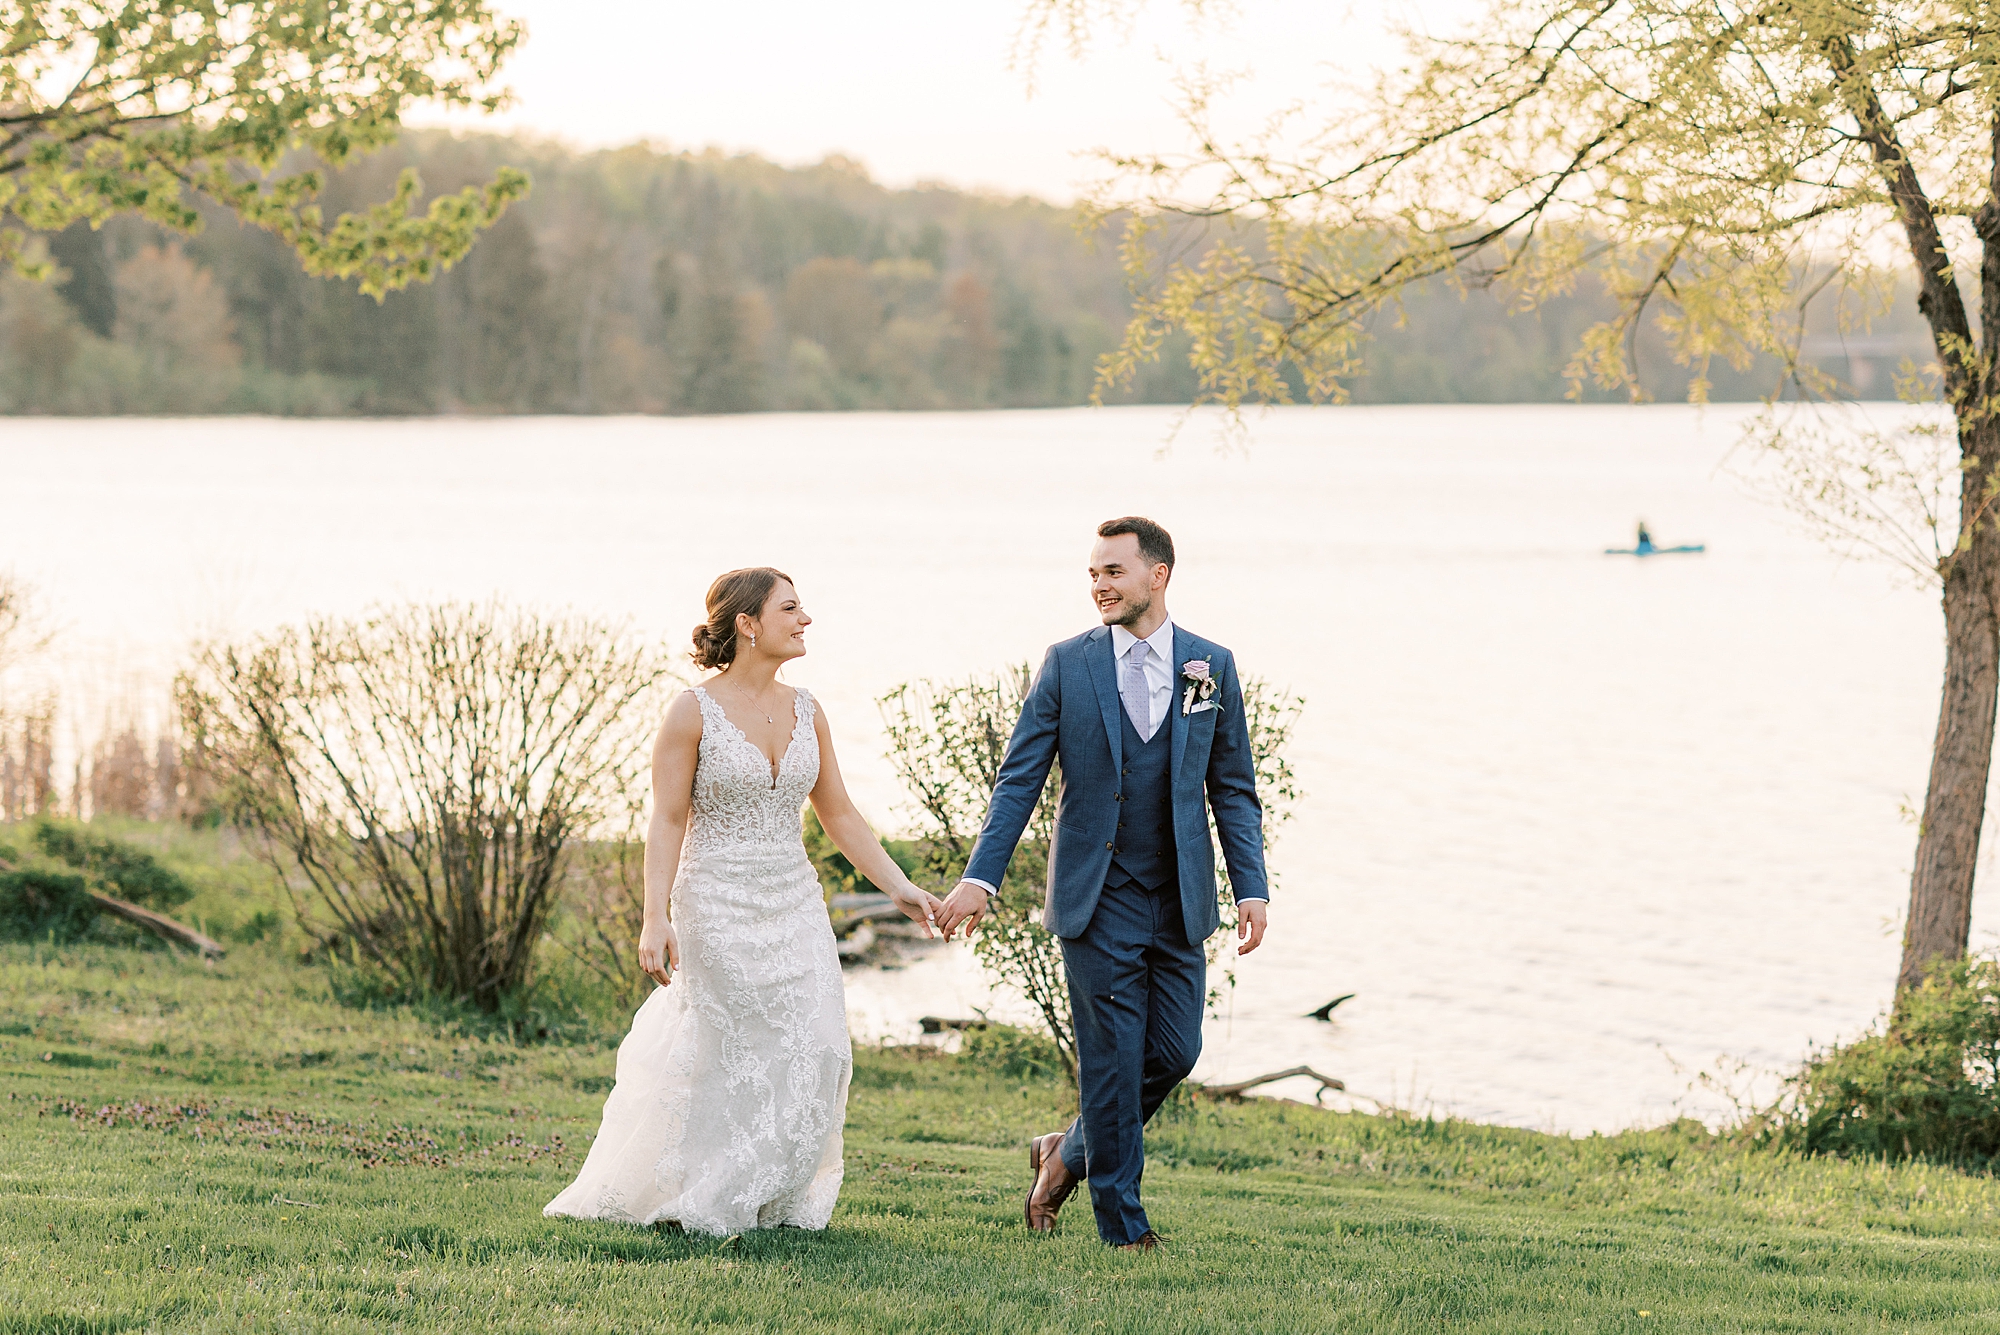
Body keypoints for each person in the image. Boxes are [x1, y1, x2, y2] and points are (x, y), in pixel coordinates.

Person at [545, 567, 942, 1235]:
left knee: (815, 1046)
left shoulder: (809, 708)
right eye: (791, 607)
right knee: (729, 1049)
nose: (806, 617)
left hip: (793, 899)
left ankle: (771, 1190)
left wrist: (898, 887)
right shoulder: (690, 711)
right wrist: (655, 914)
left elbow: (839, 813)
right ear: (749, 624)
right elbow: (668, 819)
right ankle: (708, 1193)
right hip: (716, 900)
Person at [932, 517, 1270, 1252]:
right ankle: (1124, 1227)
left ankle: (1066, 1152)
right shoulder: (1066, 664)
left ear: (1159, 574)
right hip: (1096, 898)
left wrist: (1252, 886)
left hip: (1180, 896)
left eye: (1113, 571)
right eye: (1093, 573)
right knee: (1112, 1058)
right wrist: (980, 879)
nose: (1099, 586)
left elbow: (1233, 787)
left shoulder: (1210, 665)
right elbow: (1018, 780)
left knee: (1176, 1051)